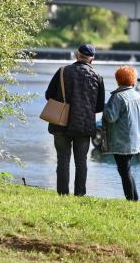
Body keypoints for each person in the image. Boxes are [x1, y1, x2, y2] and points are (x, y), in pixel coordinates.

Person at [45, 44, 105, 196]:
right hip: (84, 127)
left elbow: (48, 95)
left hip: (61, 124)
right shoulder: (97, 77)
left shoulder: (62, 71)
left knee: (63, 160)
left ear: (77, 55)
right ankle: (79, 195)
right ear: (92, 60)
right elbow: (99, 106)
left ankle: (63, 194)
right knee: (81, 162)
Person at [103, 66, 140, 201]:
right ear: (133, 80)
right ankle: (135, 198)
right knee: (126, 169)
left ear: (118, 79)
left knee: (124, 170)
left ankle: (131, 200)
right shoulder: (138, 96)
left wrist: (104, 106)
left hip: (121, 140)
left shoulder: (118, 96)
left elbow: (110, 117)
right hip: (134, 139)